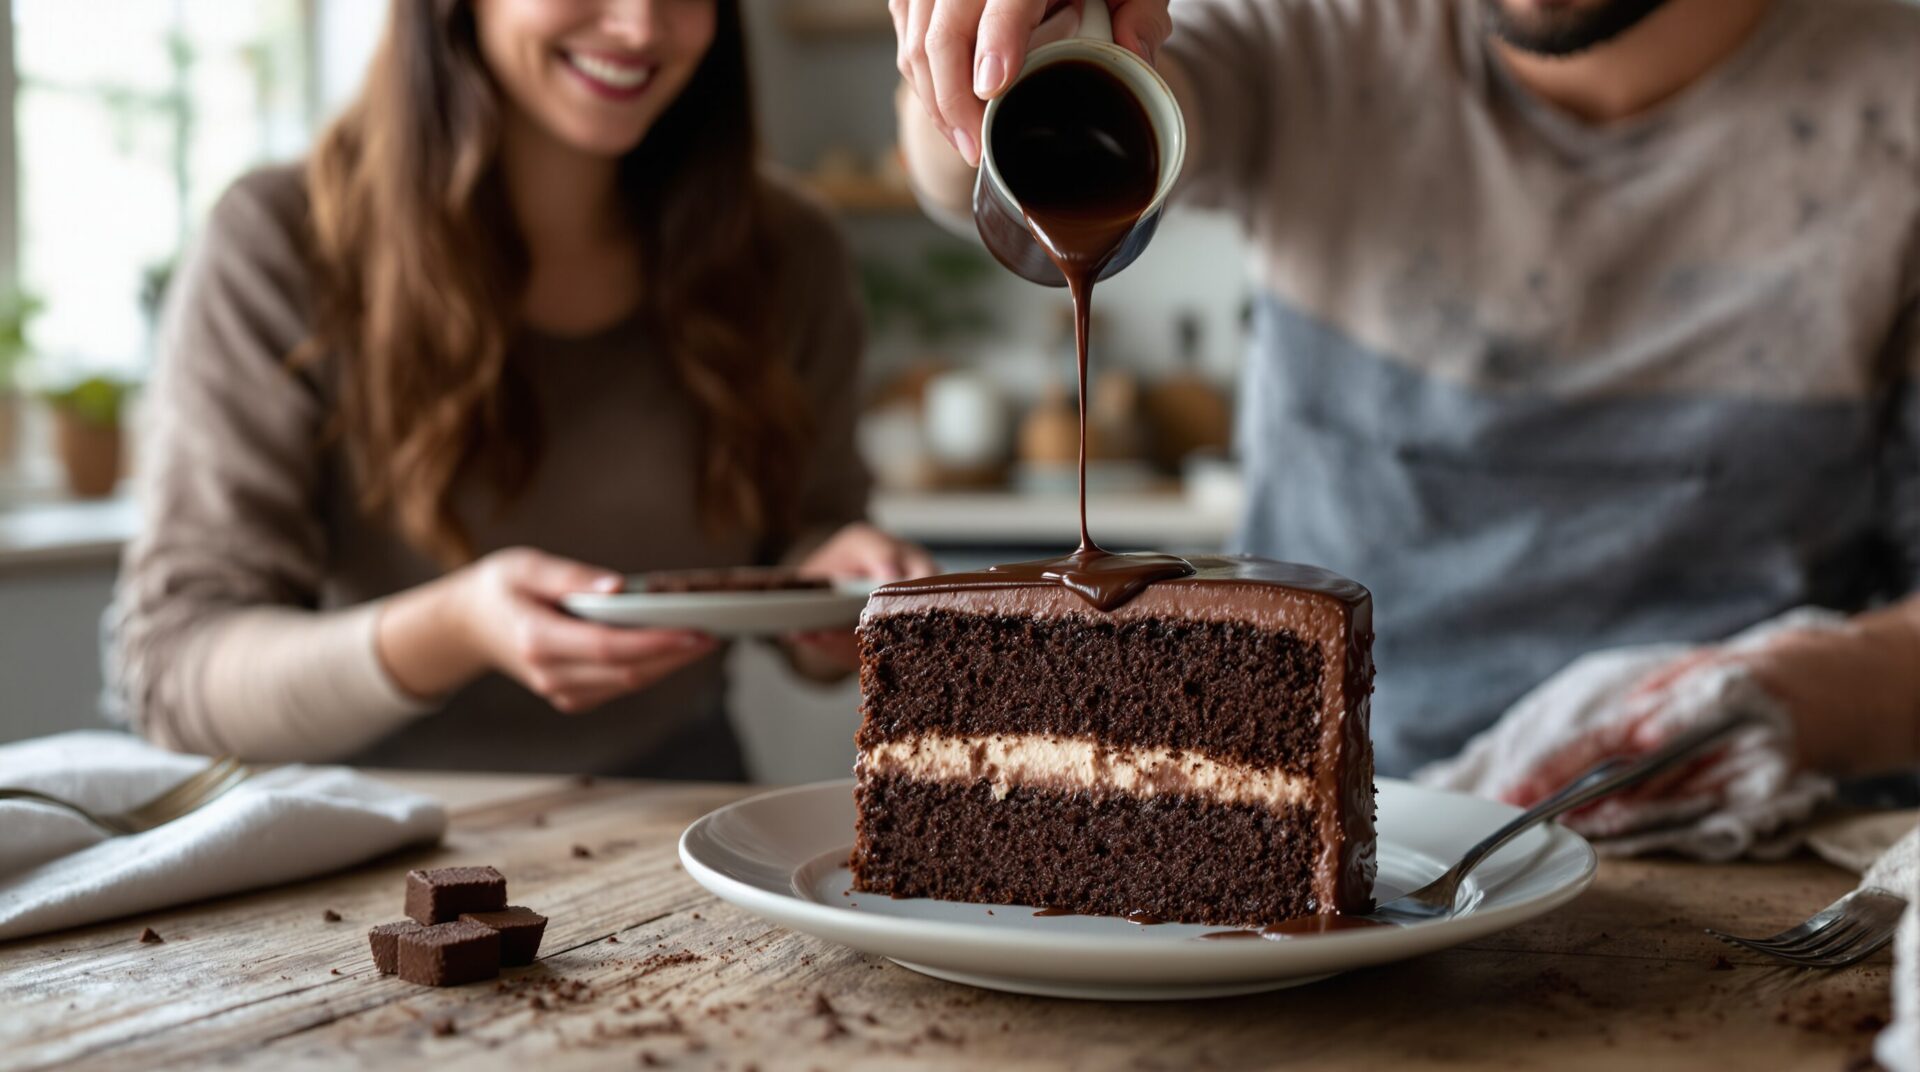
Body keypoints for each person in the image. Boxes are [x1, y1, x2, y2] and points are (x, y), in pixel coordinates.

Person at [889, 0, 1920, 778]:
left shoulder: (1893, 107)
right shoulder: (1327, 35)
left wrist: (1775, 698)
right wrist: (988, 58)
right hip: (1309, 822)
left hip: (1729, 840)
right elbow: (1008, 164)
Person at [108, 0, 933, 778]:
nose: (640, 24)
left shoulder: (789, 253)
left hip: (682, 806)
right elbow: (178, 672)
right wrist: (452, 629)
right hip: (363, 832)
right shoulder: (281, 243)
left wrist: (832, 585)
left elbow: (807, 535)